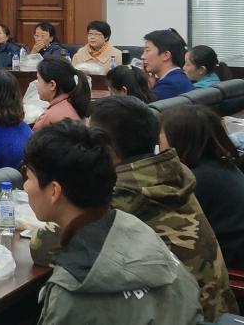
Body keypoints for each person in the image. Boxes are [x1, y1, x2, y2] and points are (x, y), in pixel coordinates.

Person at [24, 121, 203, 325]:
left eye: (29, 177)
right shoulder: (136, 227)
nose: (25, 186)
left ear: (54, 191)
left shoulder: (71, 289)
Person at [89, 95, 237, 320]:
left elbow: (48, 246)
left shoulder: (122, 195)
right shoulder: (176, 175)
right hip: (216, 310)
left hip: (186, 315)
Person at [160, 105, 244, 270]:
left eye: (161, 134)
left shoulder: (196, 180)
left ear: (179, 138)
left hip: (231, 266)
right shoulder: (222, 166)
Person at [33, 57, 91, 131]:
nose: (36, 84)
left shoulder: (48, 118)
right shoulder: (75, 104)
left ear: (52, 85)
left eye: (38, 79)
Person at [143, 28, 192, 101]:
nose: (143, 56)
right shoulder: (179, 77)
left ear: (166, 55)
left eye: (147, 50)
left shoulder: (168, 85)